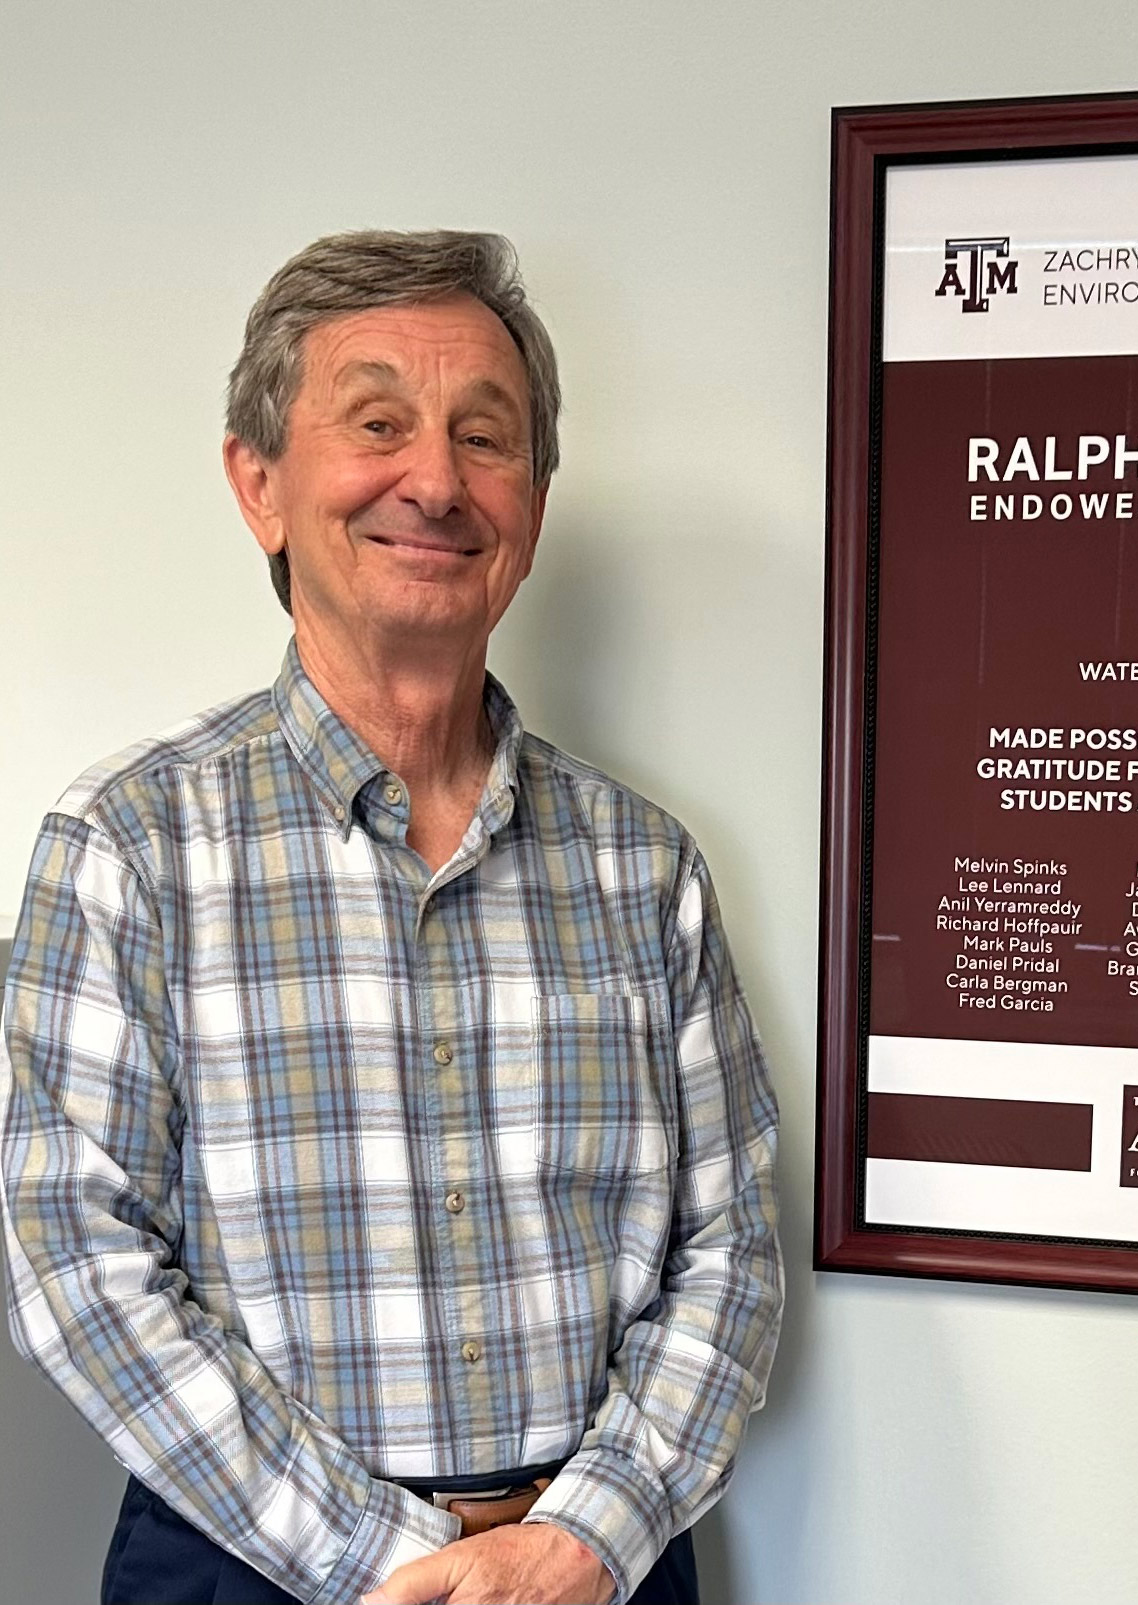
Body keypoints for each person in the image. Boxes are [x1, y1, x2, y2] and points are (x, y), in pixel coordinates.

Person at [0, 230, 782, 1605]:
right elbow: (75, 1259)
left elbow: (729, 1247)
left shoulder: (643, 867)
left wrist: (584, 1538)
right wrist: (386, 1561)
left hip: (594, 1566)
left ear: (531, 510)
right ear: (260, 485)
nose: (435, 478)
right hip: (251, 1564)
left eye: (486, 438)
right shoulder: (127, 847)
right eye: (376, 423)